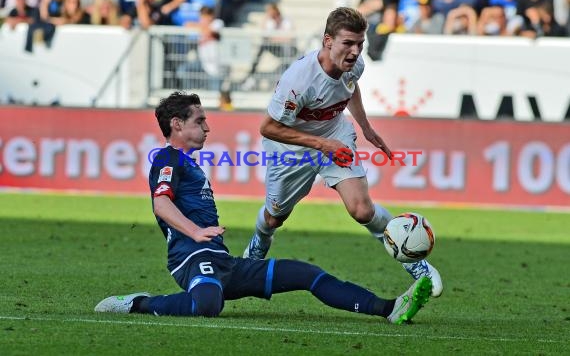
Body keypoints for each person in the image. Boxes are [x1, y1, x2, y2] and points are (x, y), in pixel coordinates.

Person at [94, 91, 433, 324]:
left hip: (221, 260)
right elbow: (161, 203)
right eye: (200, 120)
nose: (208, 127)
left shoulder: (190, 163)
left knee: (306, 274)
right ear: (177, 125)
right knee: (209, 305)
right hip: (191, 258)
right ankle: (138, 303)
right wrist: (197, 232)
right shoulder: (167, 159)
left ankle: (388, 308)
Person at [241, 7, 443, 298]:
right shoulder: (299, 80)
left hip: (335, 135)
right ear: (328, 41)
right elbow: (269, 128)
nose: (355, 51)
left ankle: (415, 261)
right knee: (274, 217)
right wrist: (322, 145)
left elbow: (350, 88)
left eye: (360, 43)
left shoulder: (355, 65)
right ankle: (259, 242)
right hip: (291, 147)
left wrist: (366, 128)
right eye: (348, 43)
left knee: (362, 210)